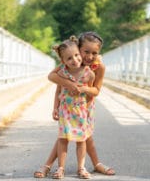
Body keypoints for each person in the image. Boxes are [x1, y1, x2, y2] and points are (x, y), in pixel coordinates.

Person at [34, 32, 115, 178]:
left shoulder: (98, 67)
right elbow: (53, 77)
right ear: (79, 48)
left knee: (85, 136)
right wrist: (69, 84)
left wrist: (83, 89)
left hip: (86, 106)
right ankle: (49, 165)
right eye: (86, 52)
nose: (89, 56)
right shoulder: (70, 61)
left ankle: (94, 165)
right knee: (64, 136)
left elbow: (96, 90)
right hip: (69, 106)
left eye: (94, 53)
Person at [50, 36, 95, 179]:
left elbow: (91, 93)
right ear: (63, 61)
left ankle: (81, 167)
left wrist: (87, 109)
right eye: (69, 58)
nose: (74, 60)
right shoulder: (62, 72)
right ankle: (60, 168)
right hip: (65, 111)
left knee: (81, 140)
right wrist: (55, 108)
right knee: (63, 139)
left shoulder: (89, 74)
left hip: (81, 111)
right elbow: (58, 91)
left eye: (76, 55)